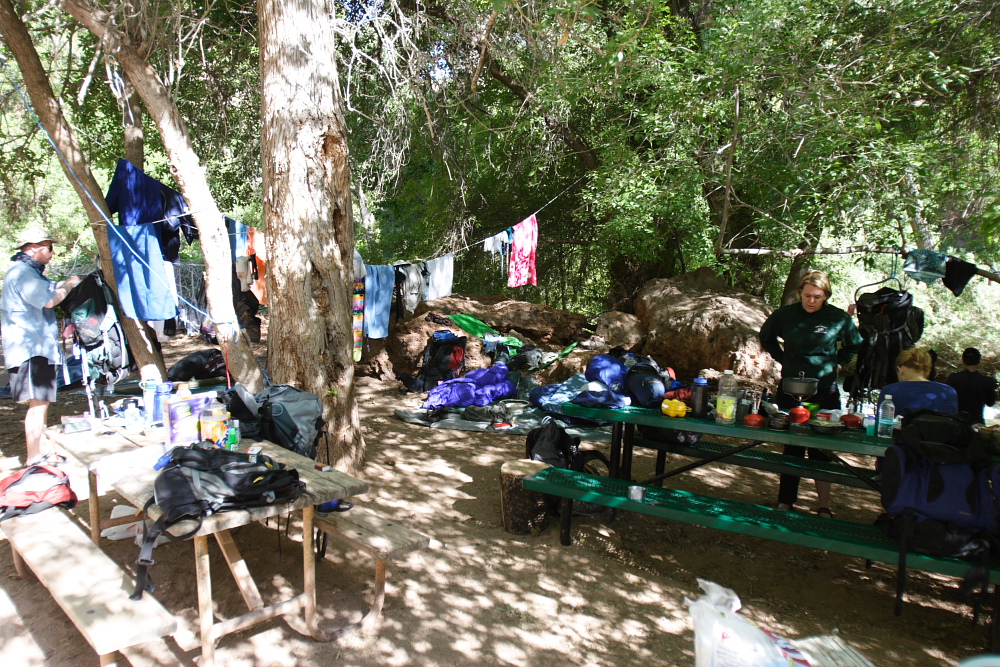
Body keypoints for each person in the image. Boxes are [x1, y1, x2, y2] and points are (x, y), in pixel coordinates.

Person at [759, 270, 863, 518]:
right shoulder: (786, 315)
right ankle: (785, 501)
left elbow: (855, 343)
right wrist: (783, 358)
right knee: (792, 445)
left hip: (824, 388)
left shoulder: (837, 317)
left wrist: (839, 363)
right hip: (791, 387)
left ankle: (824, 505)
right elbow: (766, 336)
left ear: (825, 295)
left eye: (817, 296)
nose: (811, 301)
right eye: (807, 296)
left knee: (822, 448)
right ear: (800, 293)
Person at [0, 227, 83, 467]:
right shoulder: (22, 273)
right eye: (49, 247)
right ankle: (34, 458)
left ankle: (41, 451)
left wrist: (61, 284)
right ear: (33, 248)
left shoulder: (30, 273)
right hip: (31, 350)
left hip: (38, 347)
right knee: (37, 405)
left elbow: (46, 290)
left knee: (41, 402)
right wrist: (70, 284)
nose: (52, 252)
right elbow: (49, 300)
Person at [877, 348, 958, 417]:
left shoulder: (889, 391)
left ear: (900, 369)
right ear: (928, 370)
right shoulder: (949, 391)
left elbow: (881, 423)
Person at [945, 347, 998, 424]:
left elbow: (947, 400)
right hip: (977, 422)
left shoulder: (953, 378)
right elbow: (990, 403)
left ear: (963, 360)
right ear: (979, 360)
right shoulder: (987, 381)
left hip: (957, 422)